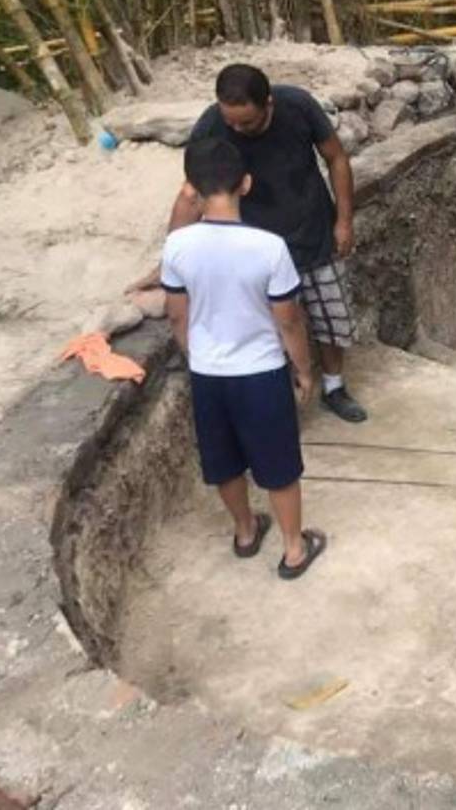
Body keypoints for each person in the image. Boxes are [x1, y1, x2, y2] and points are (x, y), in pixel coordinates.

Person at [153, 63, 367, 423]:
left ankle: (334, 386)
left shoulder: (298, 106)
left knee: (332, 317)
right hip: (255, 253)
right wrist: (172, 257)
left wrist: (344, 220)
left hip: (312, 233)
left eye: (246, 123)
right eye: (231, 122)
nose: (236, 129)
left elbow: (336, 158)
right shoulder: (210, 126)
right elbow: (192, 194)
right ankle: (284, 395)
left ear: (268, 103)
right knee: (268, 328)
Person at [162, 137, 327, 580]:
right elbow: (289, 322)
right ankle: (294, 549)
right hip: (261, 372)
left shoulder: (176, 246)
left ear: (191, 188)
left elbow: (177, 314)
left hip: (208, 372)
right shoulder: (269, 248)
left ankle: (245, 531)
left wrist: (195, 353)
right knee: (278, 464)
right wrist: (304, 369)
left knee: (224, 459)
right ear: (247, 183)